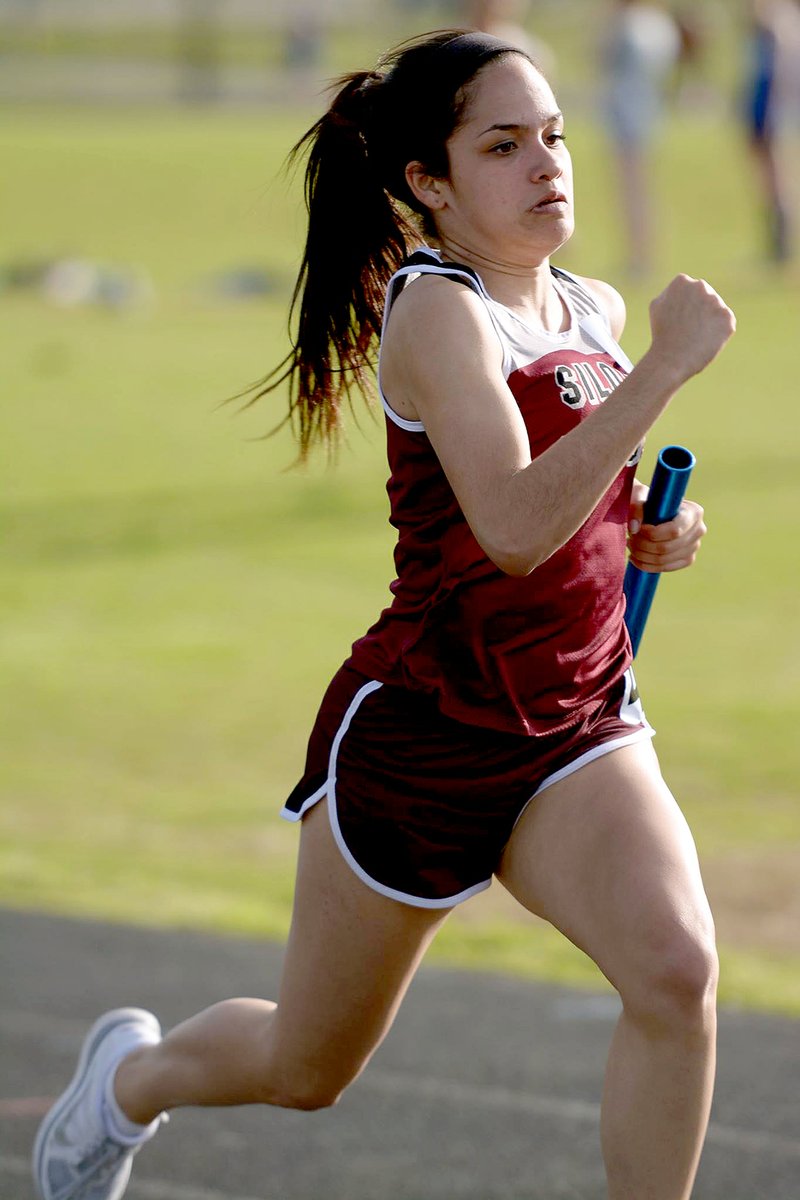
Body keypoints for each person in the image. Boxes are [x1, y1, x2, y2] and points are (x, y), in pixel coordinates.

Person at [32, 28, 736, 1200]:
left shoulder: (593, 307)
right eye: (502, 144)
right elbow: (511, 526)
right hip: (425, 739)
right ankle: (130, 1084)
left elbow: (579, 509)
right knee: (304, 1069)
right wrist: (661, 373)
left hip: (574, 726)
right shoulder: (437, 317)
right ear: (429, 181)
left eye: (553, 136)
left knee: (675, 975)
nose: (547, 164)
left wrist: (656, 528)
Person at [600, 0, 682, 276]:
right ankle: (642, 254)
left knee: (632, 191)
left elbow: (608, 62)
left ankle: (639, 257)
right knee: (641, 189)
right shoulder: (658, 23)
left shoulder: (629, 26)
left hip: (628, 113)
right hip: (649, 111)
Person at [741, 0, 800, 263]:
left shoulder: (779, 19)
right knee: (770, 179)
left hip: (770, 111)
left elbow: (779, 74)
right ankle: (776, 246)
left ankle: (781, 246)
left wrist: (768, 116)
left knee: (777, 179)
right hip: (766, 108)